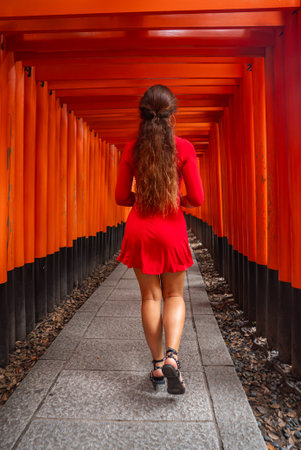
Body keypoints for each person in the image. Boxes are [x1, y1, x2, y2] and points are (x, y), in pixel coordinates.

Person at [115, 85, 204, 395]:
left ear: (142, 117)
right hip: (171, 227)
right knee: (175, 296)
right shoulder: (184, 148)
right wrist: (176, 201)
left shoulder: (131, 149)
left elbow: (120, 196)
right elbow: (197, 197)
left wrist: (141, 198)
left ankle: (156, 366)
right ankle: (172, 358)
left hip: (140, 227)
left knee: (150, 297)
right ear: (172, 118)